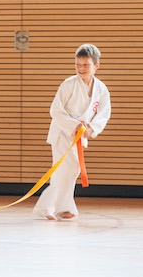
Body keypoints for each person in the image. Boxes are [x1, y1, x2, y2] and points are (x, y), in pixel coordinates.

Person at [33, 44, 111, 221]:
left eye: (85, 65)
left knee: (68, 170)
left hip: (79, 135)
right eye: (78, 64)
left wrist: (92, 128)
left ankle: (48, 207)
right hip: (62, 131)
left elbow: (104, 113)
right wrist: (75, 125)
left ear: (96, 66)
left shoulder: (101, 89)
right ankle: (60, 208)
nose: (81, 69)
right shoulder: (69, 84)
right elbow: (55, 111)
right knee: (70, 168)